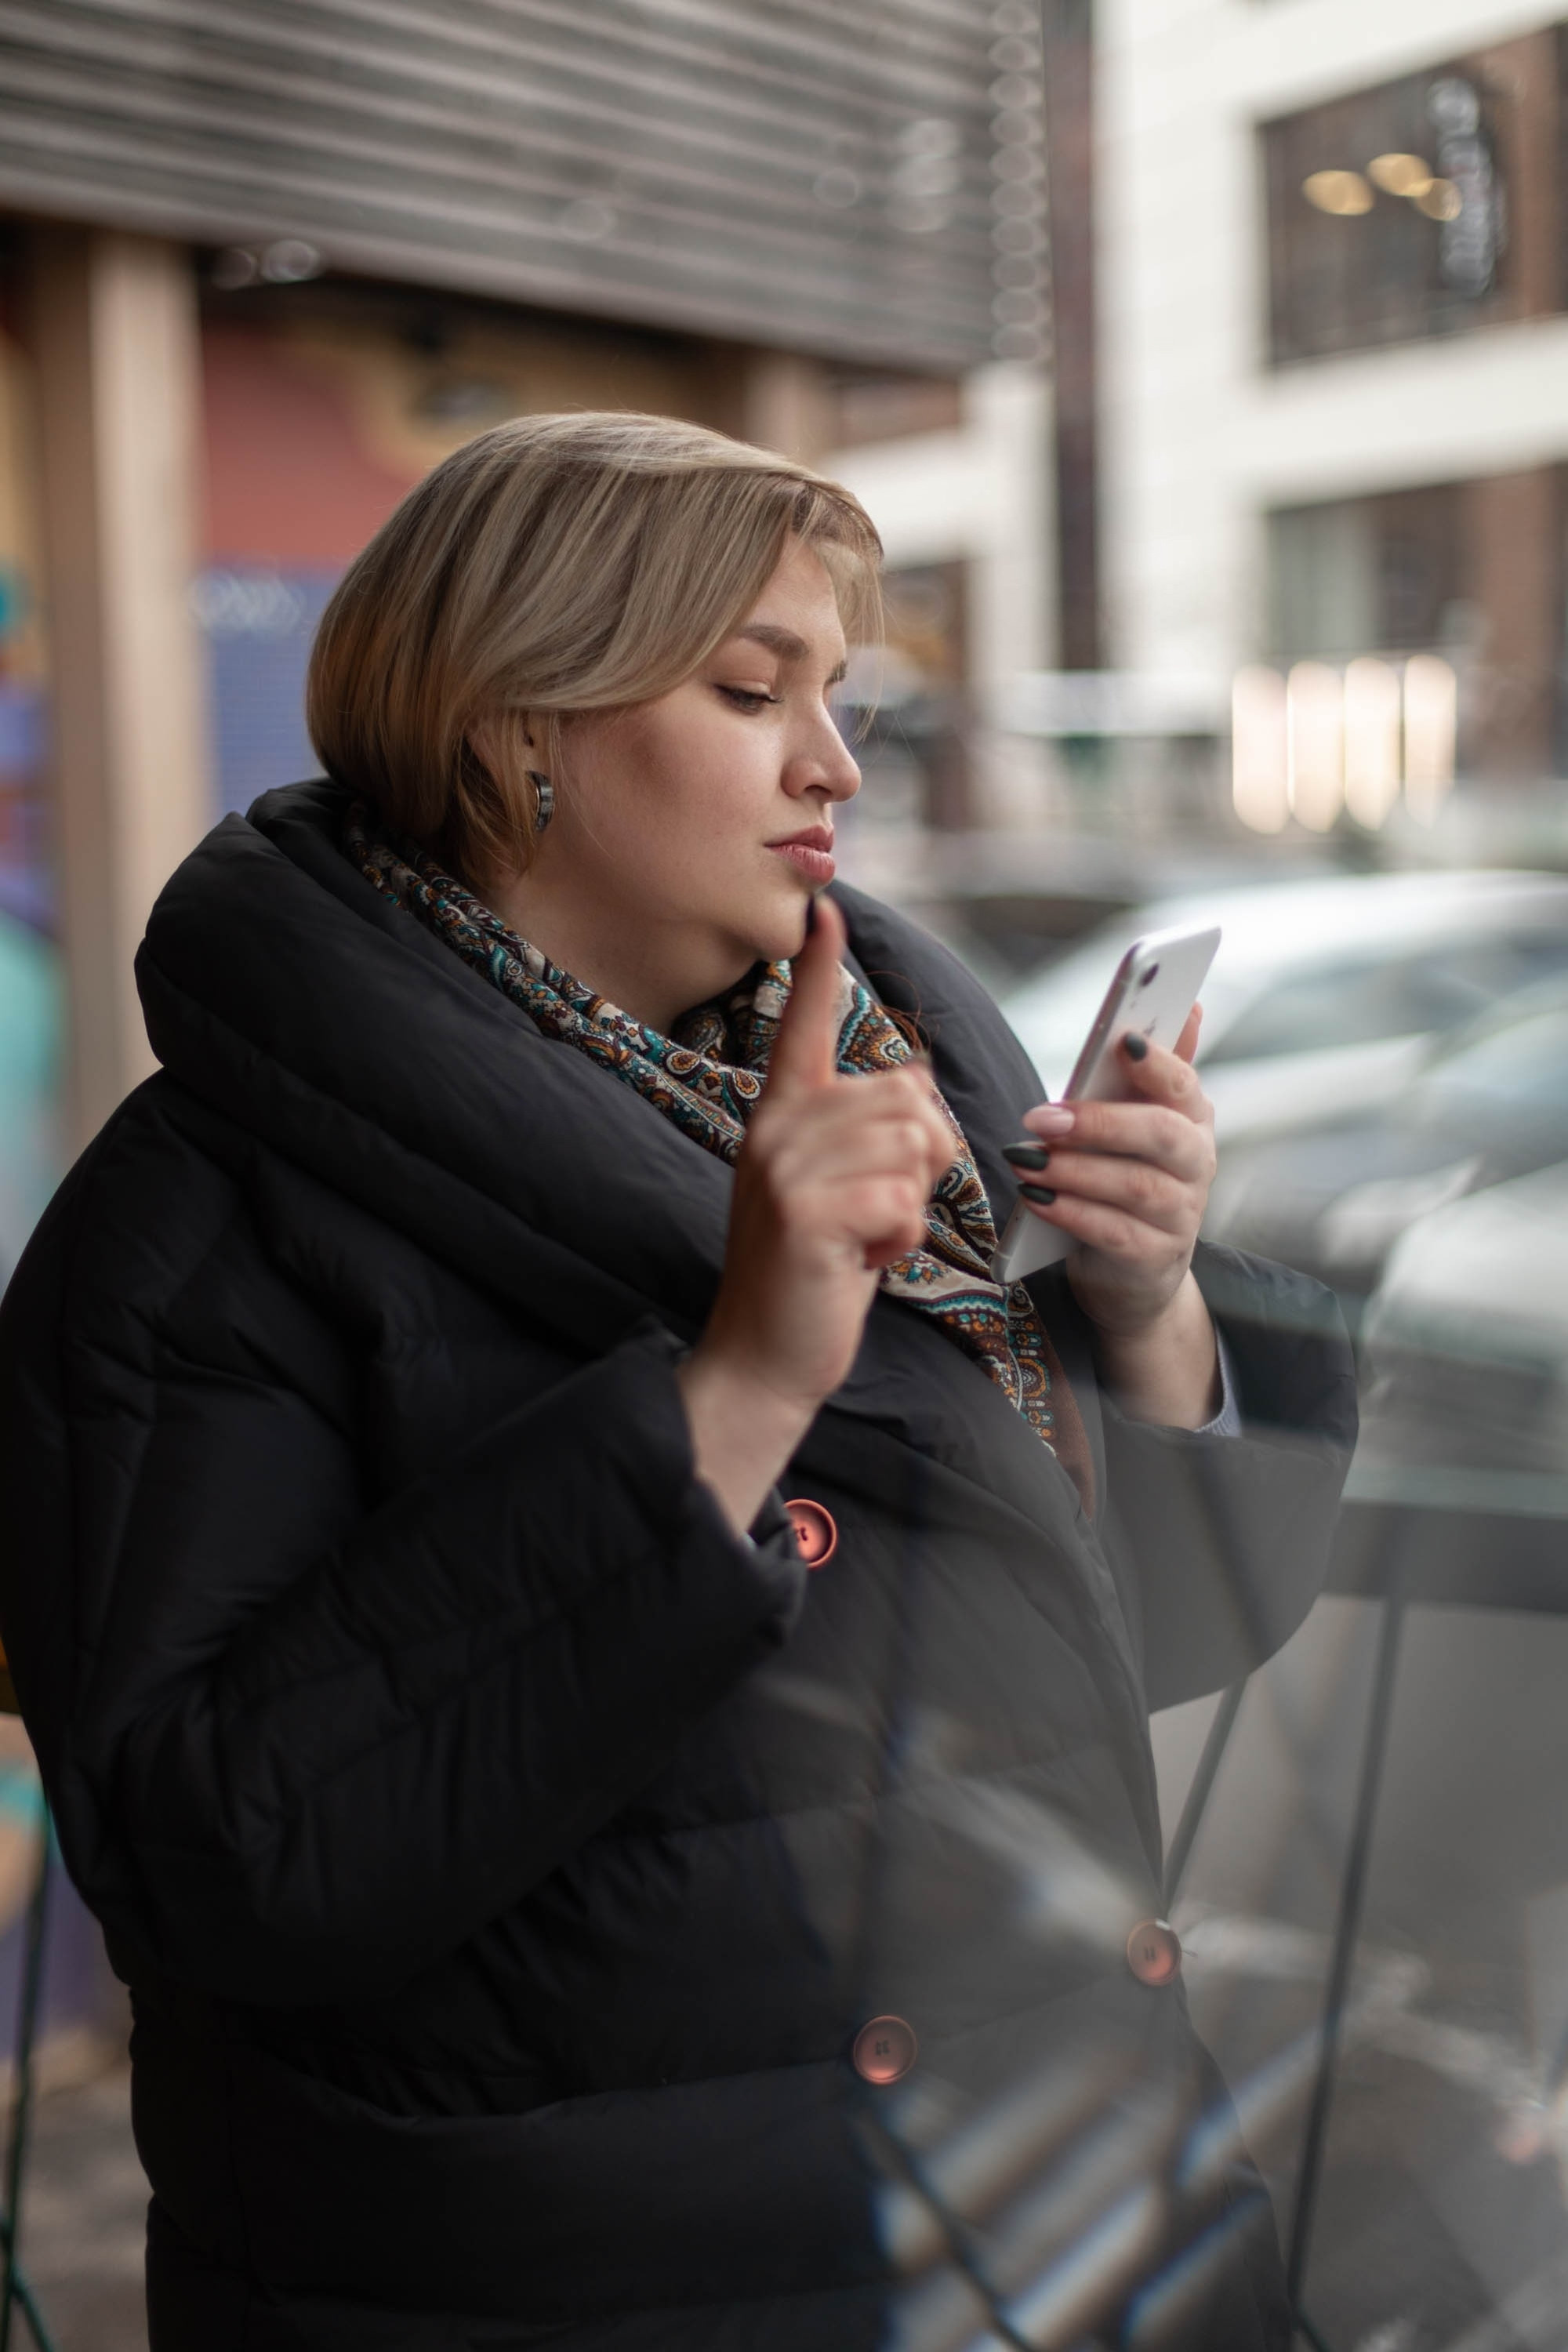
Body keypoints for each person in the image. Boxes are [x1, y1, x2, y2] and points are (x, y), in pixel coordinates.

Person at [0, 413, 1355, 2350]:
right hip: (584, 2276)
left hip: (1056, 2197)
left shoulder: (907, 1096)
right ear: (512, 728)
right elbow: (229, 1866)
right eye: (748, 688)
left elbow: (1090, 1649)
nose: (835, 759)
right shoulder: (197, 1225)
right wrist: (735, 1383)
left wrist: (1145, 1315)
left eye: (836, 691)